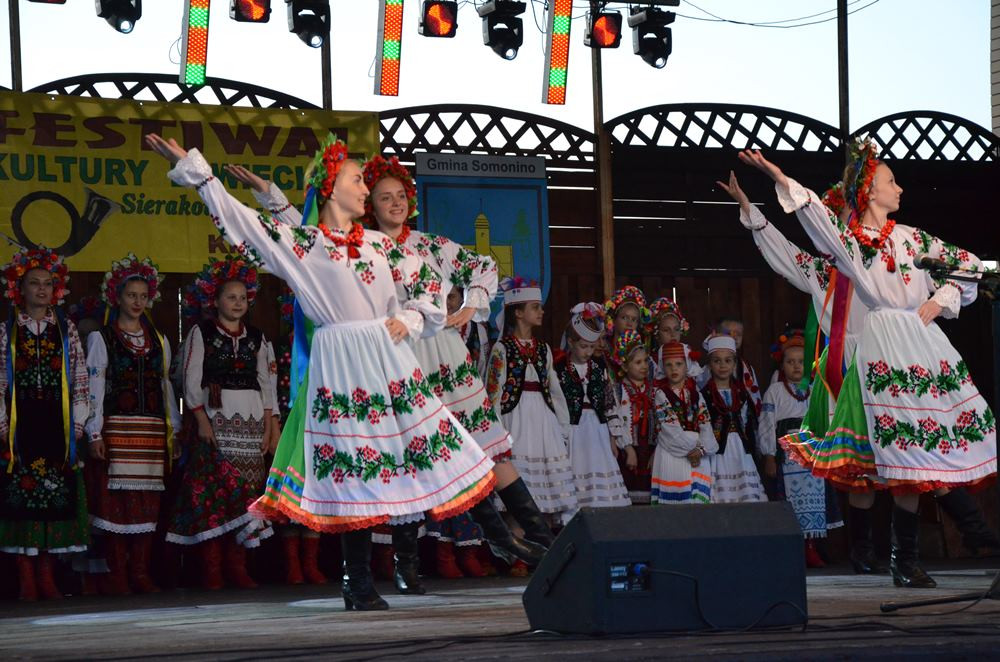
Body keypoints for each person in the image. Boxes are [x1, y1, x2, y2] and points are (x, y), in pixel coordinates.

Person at [146, 132, 522, 611]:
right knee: (351, 467)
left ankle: (504, 540)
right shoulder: (303, 245)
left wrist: (407, 319)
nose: (365, 190)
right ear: (329, 189)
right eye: (356, 181)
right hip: (339, 360)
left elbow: (432, 285)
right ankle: (357, 580)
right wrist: (198, 174)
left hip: (386, 355)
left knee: (426, 447)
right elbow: (243, 225)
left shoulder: (382, 248)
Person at [234, 154, 552, 594]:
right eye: (383, 197)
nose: (394, 203)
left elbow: (483, 268)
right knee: (408, 462)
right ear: (369, 205)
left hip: (443, 358)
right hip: (395, 362)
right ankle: (406, 566)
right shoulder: (357, 244)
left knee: (478, 453)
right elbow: (305, 240)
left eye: (400, 196)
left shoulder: (429, 246)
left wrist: (469, 307)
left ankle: (532, 542)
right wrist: (271, 198)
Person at [739, 141, 996, 588]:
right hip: (872, 357)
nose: (899, 187)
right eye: (890, 180)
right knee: (899, 457)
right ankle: (901, 554)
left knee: (924, 450)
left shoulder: (913, 238)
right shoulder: (846, 255)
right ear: (868, 194)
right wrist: (774, 187)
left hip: (922, 347)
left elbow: (969, 265)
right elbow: (808, 227)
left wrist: (942, 299)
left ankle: (938, 546)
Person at [166, 256, 276, 590]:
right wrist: (200, 419)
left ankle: (237, 565)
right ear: (215, 301)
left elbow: (268, 385)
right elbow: (189, 379)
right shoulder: (202, 333)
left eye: (243, 297)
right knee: (214, 496)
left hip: (252, 423)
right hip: (216, 422)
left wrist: (273, 428)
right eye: (231, 297)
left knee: (245, 496)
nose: (238, 303)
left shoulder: (258, 338)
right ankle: (212, 569)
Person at [85, 253, 181, 595]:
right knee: (117, 505)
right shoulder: (102, 339)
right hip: (117, 430)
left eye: (143, 296)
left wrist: (176, 431)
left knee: (146, 503)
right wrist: (93, 431)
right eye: (131, 295)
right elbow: (95, 386)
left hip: (152, 431)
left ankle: (140, 572)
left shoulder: (160, 340)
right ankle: (118, 574)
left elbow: (165, 385)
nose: (138, 302)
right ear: (117, 297)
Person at [0, 248, 89, 601]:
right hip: (22, 429)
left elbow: (80, 376)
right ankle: (26, 580)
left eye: (47, 284)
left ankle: (48, 578)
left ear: (56, 289)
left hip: (57, 425)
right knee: (22, 500)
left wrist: (78, 425)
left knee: (55, 498)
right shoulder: (6, 331)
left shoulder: (65, 329)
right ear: (18, 289)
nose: (41, 290)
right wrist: (2, 427)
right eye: (33, 284)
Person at [486, 277, 578, 526]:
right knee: (517, 493)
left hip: (543, 423)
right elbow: (493, 392)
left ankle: (545, 551)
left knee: (547, 492)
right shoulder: (502, 349)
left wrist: (562, 425)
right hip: (515, 421)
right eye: (535, 307)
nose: (541, 311)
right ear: (518, 312)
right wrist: (496, 433)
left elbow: (554, 390)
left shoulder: (543, 349)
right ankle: (518, 555)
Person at [759, 332, 842, 567]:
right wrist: (769, 456)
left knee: (816, 502)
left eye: (801, 362)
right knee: (790, 503)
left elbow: (827, 419)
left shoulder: (816, 389)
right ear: (782, 365)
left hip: (814, 456)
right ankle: (794, 550)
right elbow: (766, 425)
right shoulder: (775, 392)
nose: (796, 367)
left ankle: (812, 548)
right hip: (787, 459)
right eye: (790, 362)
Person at [555, 303, 630, 508]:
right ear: (571, 342)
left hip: (597, 430)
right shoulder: (559, 369)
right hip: (573, 430)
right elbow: (555, 404)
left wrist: (613, 438)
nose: (588, 351)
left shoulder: (599, 369)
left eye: (591, 346)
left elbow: (609, 405)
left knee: (599, 471)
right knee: (576, 470)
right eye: (583, 346)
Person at [701, 334, 767, 504]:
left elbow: (747, 423)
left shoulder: (742, 393)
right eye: (717, 361)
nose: (722, 365)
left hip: (740, 449)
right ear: (709, 364)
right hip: (717, 449)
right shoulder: (704, 395)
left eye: (727, 361)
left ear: (734, 364)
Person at [651, 341, 717, 504]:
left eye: (679, 364)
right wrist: (692, 450)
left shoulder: (696, 395)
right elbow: (669, 429)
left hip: (697, 454)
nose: (674, 369)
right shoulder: (661, 395)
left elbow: (706, 425)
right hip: (672, 453)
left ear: (687, 366)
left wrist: (701, 450)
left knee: (697, 504)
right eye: (669, 365)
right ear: (663, 367)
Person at [607, 329, 656, 505]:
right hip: (627, 451)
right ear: (625, 366)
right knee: (629, 497)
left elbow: (661, 423)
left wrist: (656, 452)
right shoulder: (618, 391)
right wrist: (627, 449)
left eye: (645, 361)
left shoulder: (654, 391)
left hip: (649, 451)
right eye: (638, 362)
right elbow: (614, 420)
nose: (643, 366)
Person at [647, 297, 702, 383]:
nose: (672, 334)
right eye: (666, 330)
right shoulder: (651, 363)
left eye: (676, 329)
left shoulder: (688, 358)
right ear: (657, 334)